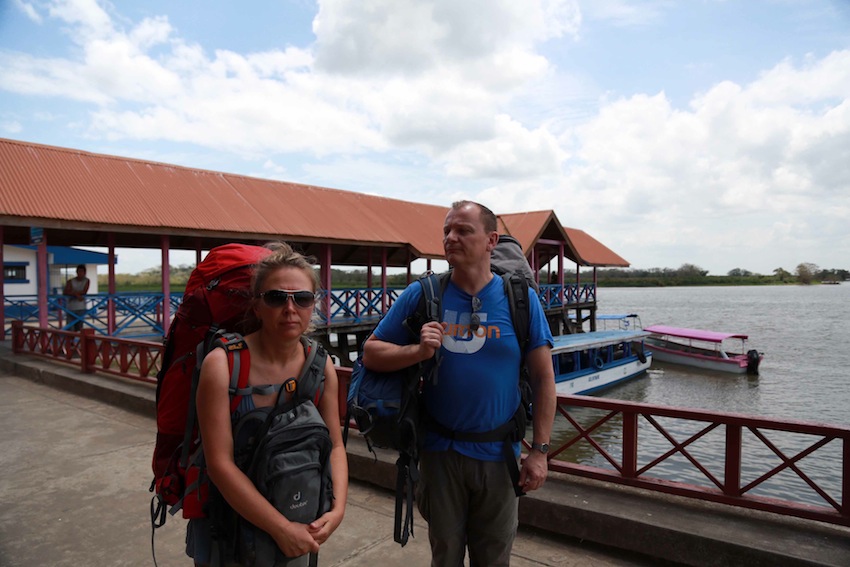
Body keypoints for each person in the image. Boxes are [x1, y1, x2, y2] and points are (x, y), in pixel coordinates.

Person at [363, 201, 556, 567]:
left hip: (500, 456)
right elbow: (371, 352)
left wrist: (540, 452)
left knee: (494, 558)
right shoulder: (423, 294)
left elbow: (545, 378)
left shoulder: (520, 298)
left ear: (490, 240)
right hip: (439, 454)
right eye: (447, 231)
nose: (451, 238)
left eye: (464, 230)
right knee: (445, 555)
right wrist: (417, 351)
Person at [189, 242, 348, 566]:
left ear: (313, 305)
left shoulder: (320, 367)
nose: (290, 309)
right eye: (277, 298)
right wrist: (281, 529)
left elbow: (334, 445)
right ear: (257, 305)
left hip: (300, 514)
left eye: (302, 298)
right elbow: (220, 465)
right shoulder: (223, 366)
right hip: (231, 526)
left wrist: (338, 508)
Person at [63, 264, 90, 331]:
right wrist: (77, 294)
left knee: (79, 328)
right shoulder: (70, 281)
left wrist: (73, 292)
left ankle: (78, 341)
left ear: (85, 273)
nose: (80, 273)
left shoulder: (86, 281)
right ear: (76, 272)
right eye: (79, 271)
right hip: (71, 308)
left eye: (82, 271)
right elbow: (65, 292)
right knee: (70, 328)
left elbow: (84, 291)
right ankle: (71, 341)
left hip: (81, 307)